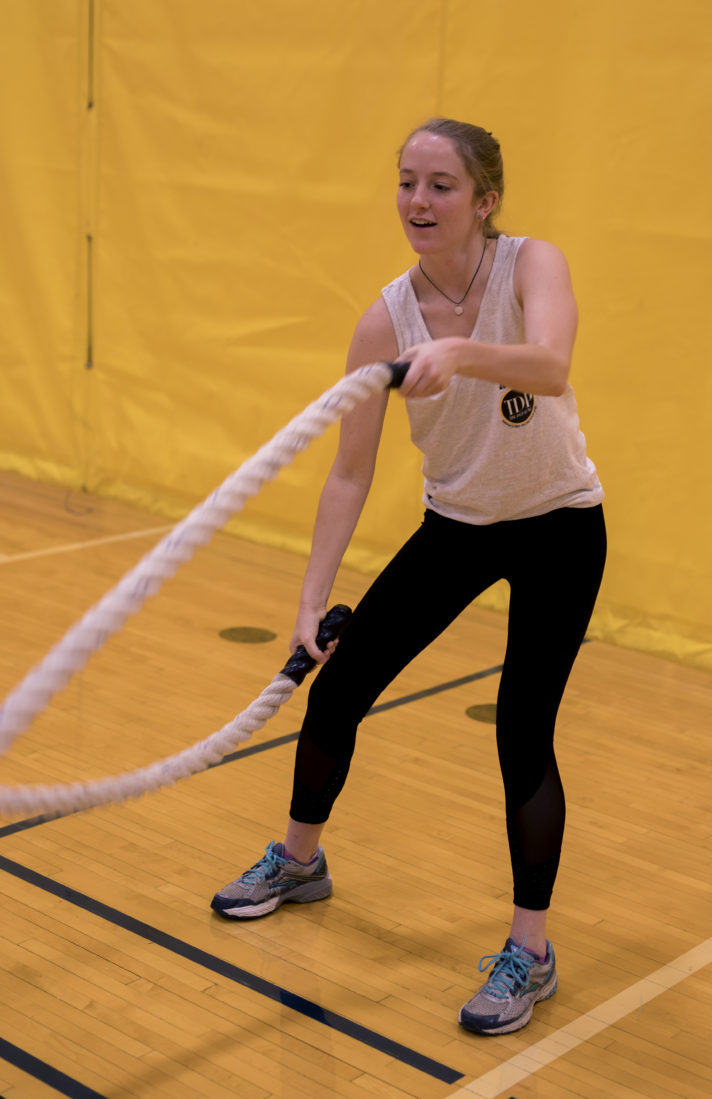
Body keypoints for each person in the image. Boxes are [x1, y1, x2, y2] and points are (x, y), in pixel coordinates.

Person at [211, 118, 606, 1036]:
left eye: (440, 186)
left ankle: (531, 953)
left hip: (559, 527)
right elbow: (350, 470)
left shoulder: (533, 265)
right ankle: (300, 862)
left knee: (522, 731)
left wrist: (460, 353)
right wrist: (311, 598)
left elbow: (550, 366)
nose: (418, 203)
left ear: (486, 199)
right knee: (338, 688)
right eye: (405, 183)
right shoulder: (383, 319)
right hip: (457, 527)